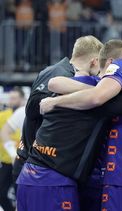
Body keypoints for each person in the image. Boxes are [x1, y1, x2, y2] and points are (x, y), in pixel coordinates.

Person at [16, 38, 122, 211]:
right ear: (112, 64)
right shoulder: (101, 98)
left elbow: (55, 82)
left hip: (30, 175)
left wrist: (58, 101)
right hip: (53, 181)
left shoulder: (82, 85)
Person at [12, 35, 103, 185]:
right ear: (94, 60)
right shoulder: (59, 72)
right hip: (32, 161)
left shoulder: (67, 73)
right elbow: (33, 109)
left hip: (40, 162)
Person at [0, 87, 25, 211]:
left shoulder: (27, 112)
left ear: (22, 99)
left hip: (23, 161)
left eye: (14, 98)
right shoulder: (3, 115)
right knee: (2, 193)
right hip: (7, 160)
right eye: (10, 98)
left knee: (21, 194)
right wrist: (11, 151)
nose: (11, 101)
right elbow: (3, 133)